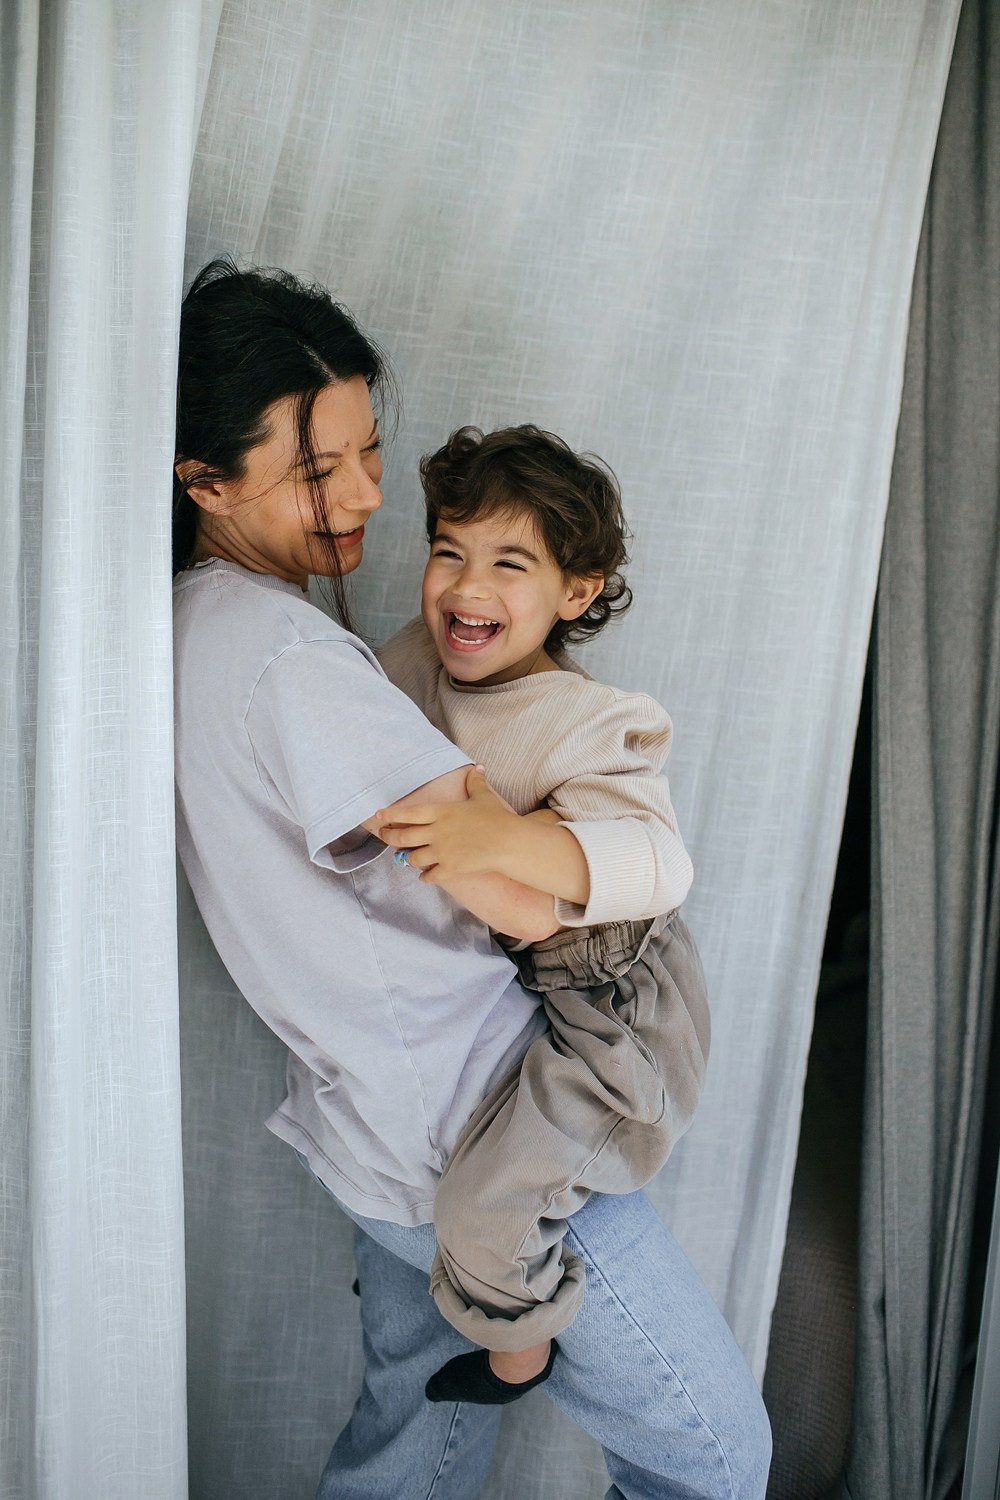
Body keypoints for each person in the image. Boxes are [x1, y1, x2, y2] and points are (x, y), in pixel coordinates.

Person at [172, 257, 771, 1500]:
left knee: (415, 1445)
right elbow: (524, 902)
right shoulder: (295, 660)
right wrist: (529, 856)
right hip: (484, 1115)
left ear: (576, 593)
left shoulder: (193, 629)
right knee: (717, 1456)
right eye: (315, 469)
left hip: (378, 1131)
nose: (362, 498)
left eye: (366, 452)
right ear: (206, 482)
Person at [374, 424, 709, 1408]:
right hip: (524, 975)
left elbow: (660, 862)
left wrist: (501, 843)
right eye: (448, 551)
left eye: (508, 564)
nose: (465, 588)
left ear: (577, 591)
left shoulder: (589, 718)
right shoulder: (409, 660)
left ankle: (516, 1355)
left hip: (619, 1010)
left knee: (485, 1205)